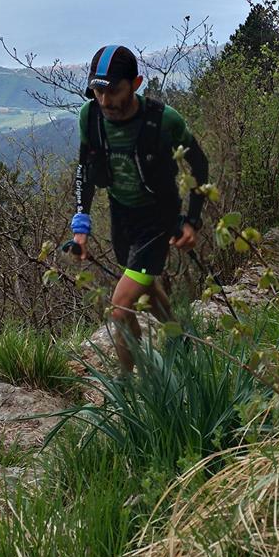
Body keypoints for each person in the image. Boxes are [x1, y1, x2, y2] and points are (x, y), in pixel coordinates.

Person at [71, 44, 209, 375]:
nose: (105, 101)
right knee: (145, 284)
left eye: (114, 91)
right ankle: (179, 337)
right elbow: (85, 170)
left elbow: (199, 163)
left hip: (158, 218)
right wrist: (81, 225)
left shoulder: (164, 121)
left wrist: (192, 220)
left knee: (120, 308)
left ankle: (127, 386)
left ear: (136, 83)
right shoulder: (90, 117)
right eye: (97, 91)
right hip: (121, 213)